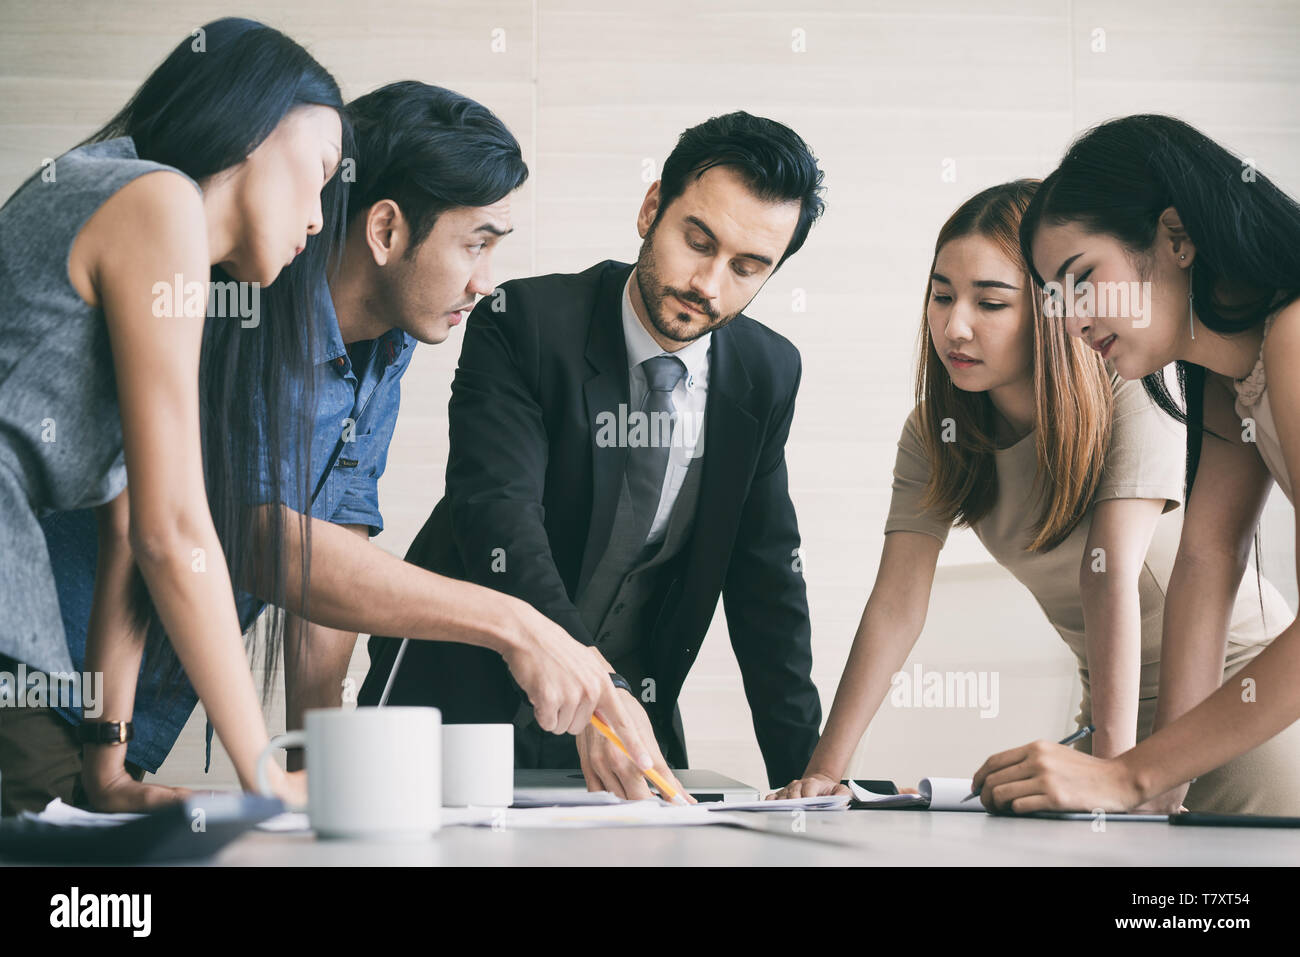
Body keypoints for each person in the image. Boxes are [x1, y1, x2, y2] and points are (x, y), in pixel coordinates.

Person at [2, 64, 652, 813]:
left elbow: (322, 583)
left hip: (119, 723)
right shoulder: (230, 295)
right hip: (34, 664)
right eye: (478, 243)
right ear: (385, 229)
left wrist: (322, 785)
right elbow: (250, 537)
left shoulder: (388, 347)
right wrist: (514, 624)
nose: (485, 282)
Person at [771, 180, 1300, 813]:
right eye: (941, 296)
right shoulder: (935, 433)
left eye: (990, 303)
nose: (954, 326)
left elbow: (1108, 574)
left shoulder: (1137, 389)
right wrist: (826, 772)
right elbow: (896, 602)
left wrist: (1112, 775)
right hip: (1111, 712)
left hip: (1235, 703)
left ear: (1054, 310)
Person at [361, 111, 828, 796]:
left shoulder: (767, 372)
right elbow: (498, 516)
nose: (708, 282)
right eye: (697, 241)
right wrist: (593, 683)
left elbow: (766, 582)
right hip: (456, 700)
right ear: (651, 208)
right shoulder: (522, 323)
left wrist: (806, 773)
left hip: (629, 726)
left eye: (747, 267)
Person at [0, 17, 346, 812]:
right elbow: (174, 530)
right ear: (257, 124)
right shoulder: (158, 203)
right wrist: (261, 768)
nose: (320, 219)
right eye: (320, 173)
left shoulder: (143, 215)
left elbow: (127, 526)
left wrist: (106, 762)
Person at [973, 114, 1300, 813]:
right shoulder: (1230, 372)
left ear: (1176, 237)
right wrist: (1155, 799)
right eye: (1054, 298)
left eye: (1082, 277)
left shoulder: (1296, 334)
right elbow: (1208, 563)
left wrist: (1126, 775)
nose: (1070, 321)